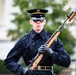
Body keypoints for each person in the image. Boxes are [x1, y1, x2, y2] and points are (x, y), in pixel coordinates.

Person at [4, 8, 71, 75]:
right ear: (31, 22)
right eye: (35, 21)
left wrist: (52, 54)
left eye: (40, 21)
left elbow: (67, 61)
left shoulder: (54, 39)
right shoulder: (24, 40)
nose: (38, 23)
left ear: (44, 22)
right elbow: (9, 61)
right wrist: (22, 70)